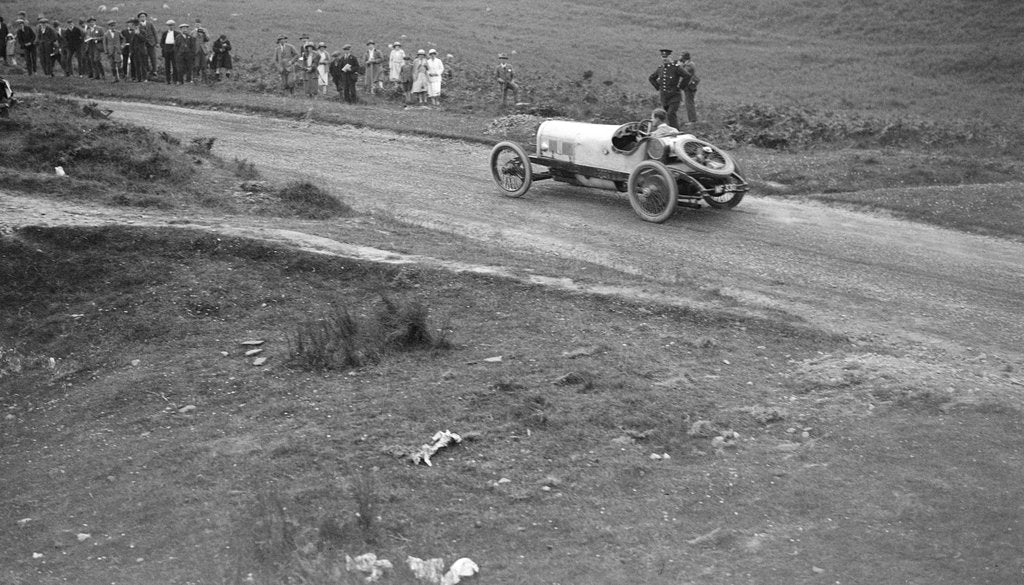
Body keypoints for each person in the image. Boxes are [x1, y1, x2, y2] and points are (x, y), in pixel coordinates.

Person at [648, 48, 685, 130]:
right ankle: (668, 131)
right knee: (665, 116)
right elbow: (651, 78)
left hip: (674, 96)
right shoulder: (660, 68)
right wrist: (658, 87)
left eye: (666, 57)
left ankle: (676, 132)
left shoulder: (676, 68)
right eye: (663, 57)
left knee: (671, 113)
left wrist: (681, 87)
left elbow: (687, 76)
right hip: (664, 97)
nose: (664, 59)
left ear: (670, 57)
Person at [678, 51, 699, 124]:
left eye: (681, 56)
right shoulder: (688, 63)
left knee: (689, 103)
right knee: (689, 102)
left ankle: (692, 120)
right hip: (689, 86)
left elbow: (684, 72)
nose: (679, 57)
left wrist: (679, 65)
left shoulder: (689, 65)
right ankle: (693, 120)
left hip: (689, 87)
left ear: (684, 57)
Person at [136, 12, 158, 79]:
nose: (142, 17)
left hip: (151, 43)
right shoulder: (138, 26)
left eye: (144, 16)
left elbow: (155, 33)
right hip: (143, 44)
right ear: (139, 18)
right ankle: (146, 72)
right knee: (145, 59)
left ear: (146, 17)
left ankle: (154, 71)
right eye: (141, 16)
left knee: (153, 57)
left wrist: (156, 42)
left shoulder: (150, 24)